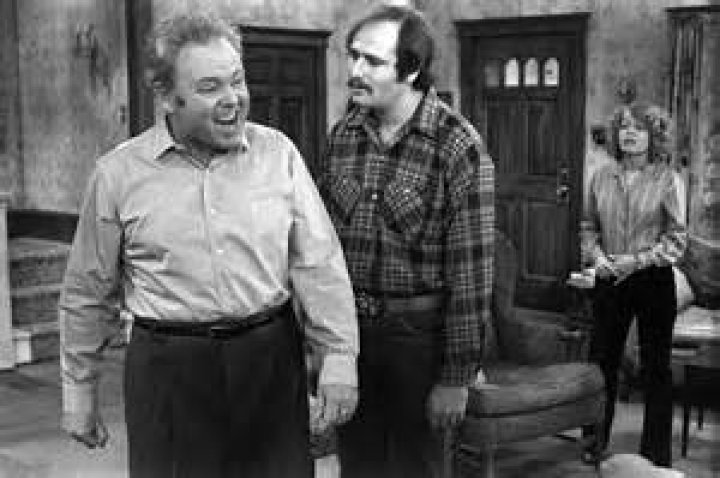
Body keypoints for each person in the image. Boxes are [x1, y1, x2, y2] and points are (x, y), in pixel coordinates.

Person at [59, 12, 359, 478]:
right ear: (166, 96)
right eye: (209, 87)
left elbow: (319, 264)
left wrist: (338, 356)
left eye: (237, 81)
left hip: (270, 362)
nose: (232, 99)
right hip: (169, 373)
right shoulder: (117, 175)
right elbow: (87, 291)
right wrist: (79, 392)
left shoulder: (278, 154)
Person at [316, 5, 495, 477]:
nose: (355, 71)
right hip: (352, 334)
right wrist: (326, 345)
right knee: (358, 467)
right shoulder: (343, 136)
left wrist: (455, 377)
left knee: (418, 469)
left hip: (418, 340)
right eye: (354, 56)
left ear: (411, 69)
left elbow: (472, 275)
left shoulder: (457, 145)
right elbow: (320, 251)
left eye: (373, 61)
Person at [581, 102, 687, 467]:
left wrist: (637, 261)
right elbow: (588, 227)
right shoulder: (600, 176)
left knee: (656, 368)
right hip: (609, 277)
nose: (630, 133)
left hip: (653, 279)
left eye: (639, 128)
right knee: (602, 363)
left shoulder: (667, 179)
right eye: (625, 126)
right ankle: (594, 443)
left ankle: (655, 455)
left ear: (653, 137)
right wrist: (597, 257)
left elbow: (676, 240)